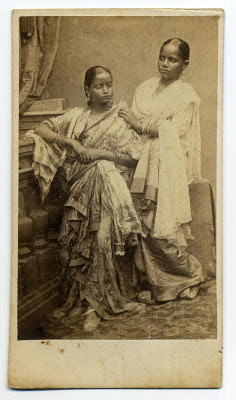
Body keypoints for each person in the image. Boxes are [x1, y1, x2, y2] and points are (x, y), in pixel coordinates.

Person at [27, 66, 144, 333]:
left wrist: (102, 154)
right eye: (99, 86)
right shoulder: (77, 117)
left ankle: (96, 306)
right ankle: (83, 302)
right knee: (81, 245)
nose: (105, 91)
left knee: (102, 240)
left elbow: (133, 157)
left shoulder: (121, 117)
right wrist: (71, 144)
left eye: (109, 85)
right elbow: (41, 129)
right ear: (87, 91)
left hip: (110, 190)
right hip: (80, 193)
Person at [118, 38, 205, 304]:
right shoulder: (144, 88)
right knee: (141, 224)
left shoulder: (186, 96)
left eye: (173, 59)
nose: (165, 64)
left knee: (159, 225)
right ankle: (160, 285)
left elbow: (174, 131)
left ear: (184, 64)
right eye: (162, 57)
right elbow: (131, 123)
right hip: (140, 161)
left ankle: (190, 276)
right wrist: (141, 125)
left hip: (165, 166)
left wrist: (140, 124)